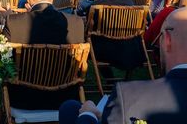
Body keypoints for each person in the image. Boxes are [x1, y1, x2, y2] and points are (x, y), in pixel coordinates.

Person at [59, 7, 187, 124]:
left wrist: (89, 114)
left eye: (161, 37)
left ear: (168, 40)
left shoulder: (128, 95)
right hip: (126, 52)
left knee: (70, 108)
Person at [78, 0, 143, 75]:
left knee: (82, 41)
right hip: (132, 48)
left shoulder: (95, 8)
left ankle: (106, 78)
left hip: (110, 51)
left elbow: (89, 32)